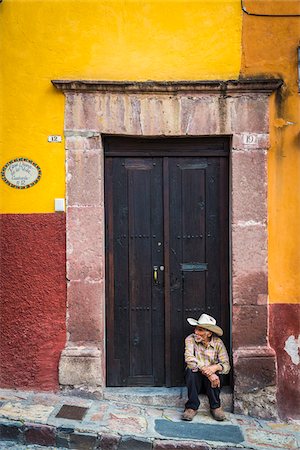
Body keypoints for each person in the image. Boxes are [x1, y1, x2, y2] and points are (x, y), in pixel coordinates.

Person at [182, 313, 230, 422]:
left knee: (219, 374)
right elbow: (189, 359)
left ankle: (215, 406)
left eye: (200, 330)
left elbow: (226, 365)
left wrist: (215, 368)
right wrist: (208, 372)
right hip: (197, 381)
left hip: (211, 382)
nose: (196, 332)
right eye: (196, 329)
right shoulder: (190, 339)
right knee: (191, 370)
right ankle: (191, 407)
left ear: (209, 333)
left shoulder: (218, 343)